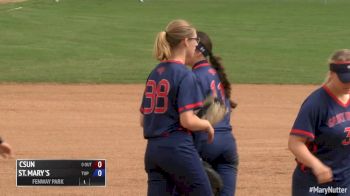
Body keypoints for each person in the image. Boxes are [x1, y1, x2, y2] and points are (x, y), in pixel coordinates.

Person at [139, 19, 214, 196]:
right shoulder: (185, 75)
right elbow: (187, 120)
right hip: (177, 148)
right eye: (195, 40)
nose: (197, 45)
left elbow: (143, 120)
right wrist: (207, 125)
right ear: (185, 41)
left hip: (153, 152)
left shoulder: (155, 72)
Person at [289, 49, 350, 195]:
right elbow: (295, 143)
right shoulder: (316, 103)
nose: (348, 84)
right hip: (314, 183)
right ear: (331, 74)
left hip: (345, 181)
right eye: (345, 79)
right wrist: (317, 166)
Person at [186, 31, 239, 196]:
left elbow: (187, 116)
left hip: (205, 143)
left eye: (188, 46)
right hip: (228, 146)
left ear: (198, 50)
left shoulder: (192, 76)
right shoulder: (217, 75)